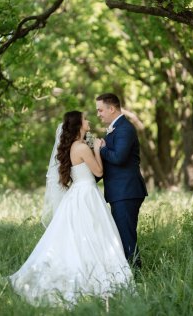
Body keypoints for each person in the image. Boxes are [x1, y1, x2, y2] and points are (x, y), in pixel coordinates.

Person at [9, 111, 133, 307]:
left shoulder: (74, 146)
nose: (89, 120)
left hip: (78, 193)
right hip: (86, 194)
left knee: (81, 234)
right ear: (78, 125)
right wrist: (98, 150)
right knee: (93, 233)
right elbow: (98, 171)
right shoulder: (82, 147)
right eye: (85, 119)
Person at [96, 94, 148, 269]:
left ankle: (136, 275)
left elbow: (118, 158)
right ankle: (128, 274)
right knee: (122, 235)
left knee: (126, 237)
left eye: (100, 110)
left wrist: (101, 148)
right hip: (120, 192)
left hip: (126, 191)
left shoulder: (124, 129)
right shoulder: (114, 129)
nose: (98, 114)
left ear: (112, 109)